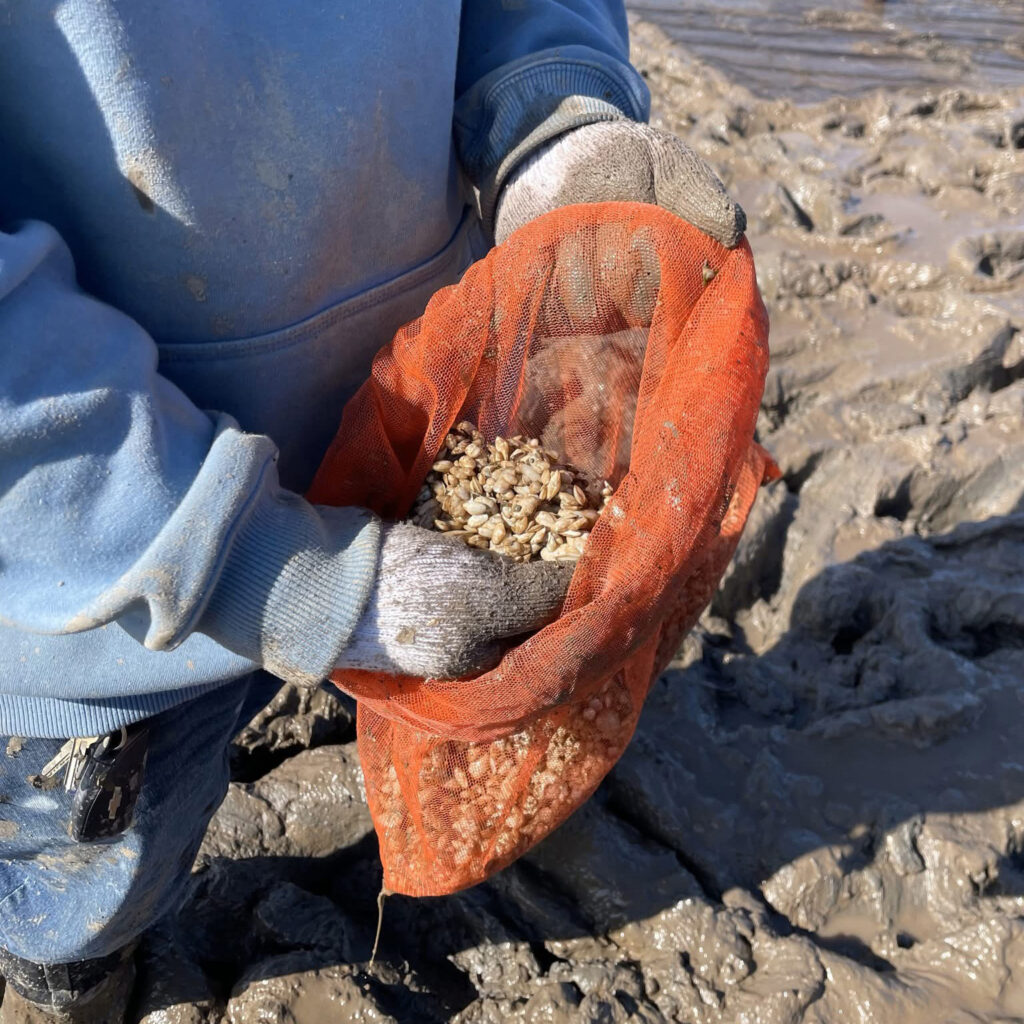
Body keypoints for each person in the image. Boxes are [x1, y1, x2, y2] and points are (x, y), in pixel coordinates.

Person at [0, 2, 744, 1019]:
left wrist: (551, 116)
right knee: (95, 854)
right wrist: (269, 575)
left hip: (404, 440)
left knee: (410, 652)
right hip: (93, 560)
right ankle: (70, 971)